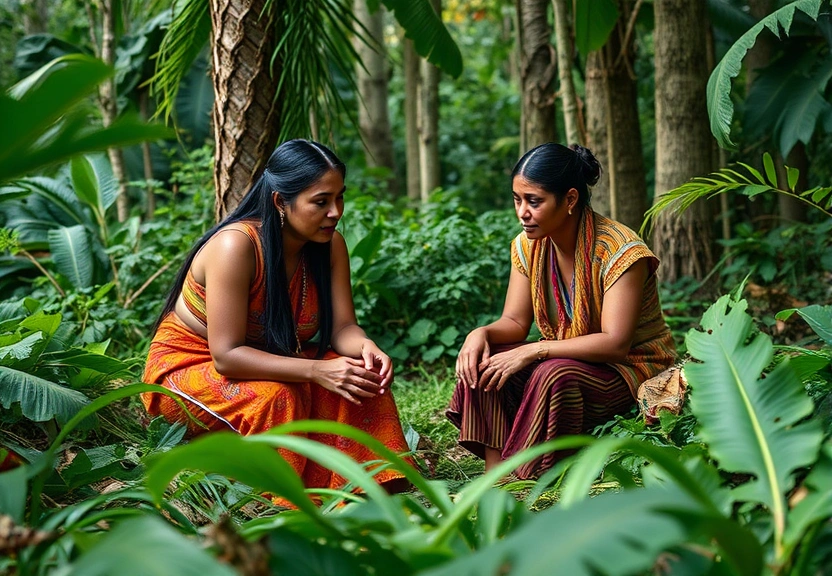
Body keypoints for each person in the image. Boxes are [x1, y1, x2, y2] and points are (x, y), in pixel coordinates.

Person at [142, 139, 409, 493]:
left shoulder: (330, 245)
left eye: (339, 197)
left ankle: (366, 486)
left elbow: (343, 326)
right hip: (189, 370)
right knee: (279, 397)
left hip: (273, 360)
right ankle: (283, 499)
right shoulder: (235, 247)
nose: (336, 212)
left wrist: (364, 348)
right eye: (321, 201)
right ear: (281, 201)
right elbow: (226, 356)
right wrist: (317, 370)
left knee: (364, 383)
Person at [447, 143, 677, 479]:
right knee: (485, 360)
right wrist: (478, 335)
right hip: (566, 361)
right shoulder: (527, 245)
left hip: (628, 372)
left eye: (534, 201)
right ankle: (495, 473)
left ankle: (527, 474)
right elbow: (514, 322)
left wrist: (535, 350)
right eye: (517, 199)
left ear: (569, 200)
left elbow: (615, 344)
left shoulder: (620, 251)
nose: (522, 212)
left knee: (551, 372)